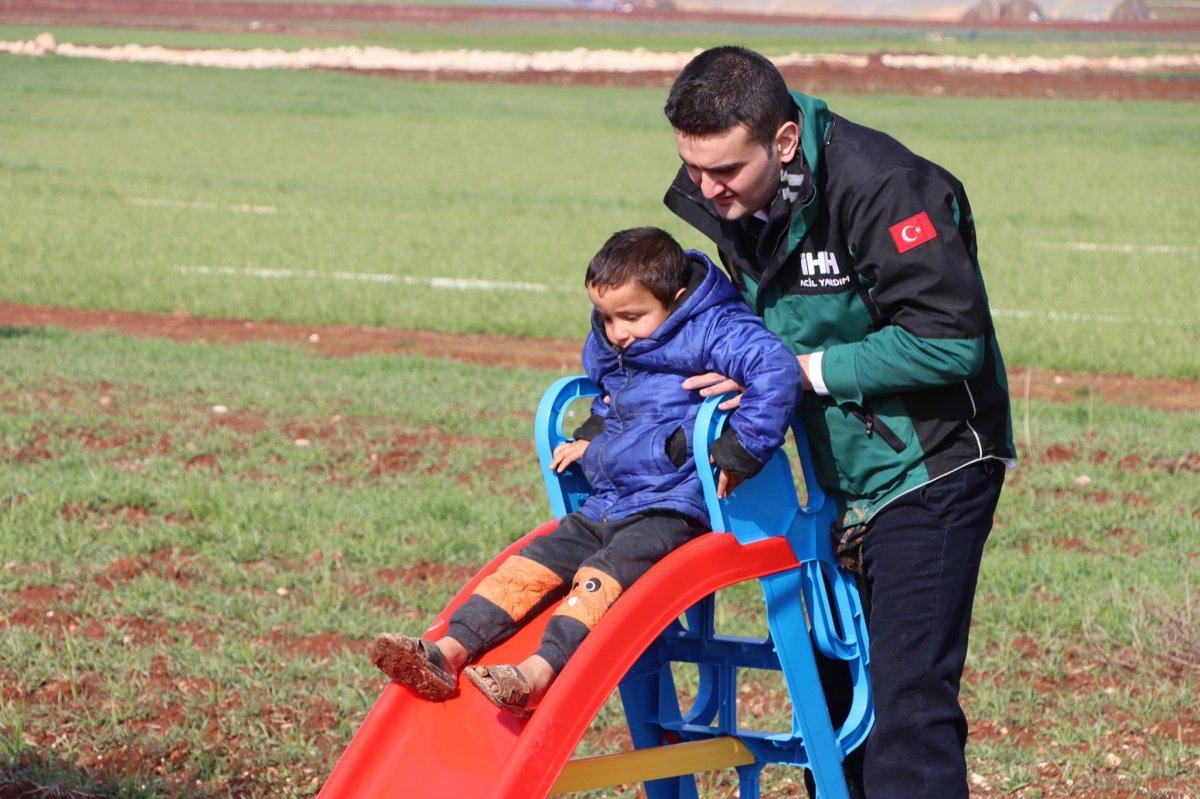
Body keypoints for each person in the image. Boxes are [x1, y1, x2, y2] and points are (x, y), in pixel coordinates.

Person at [662, 46, 1015, 798]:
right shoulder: (734, 199)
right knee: (835, 697)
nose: (706, 187)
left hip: (931, 463)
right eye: (693, 168)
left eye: (724, 170)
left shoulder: (884, 186)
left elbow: (950, 340)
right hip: (831, 476)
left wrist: (801, 369)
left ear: (784, 141)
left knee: (906, 703)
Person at [371, 227, 801, 717]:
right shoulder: (618, 343)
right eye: (605, 316)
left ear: (676, 298)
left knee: (604, 574)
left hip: (674, 504)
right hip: (611, 497)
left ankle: (536, 675)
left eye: (631, 317)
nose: (616, 331)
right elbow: (612, 399)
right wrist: (590, 434)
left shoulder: (714, 328)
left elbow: (776, 370)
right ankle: (447, 651)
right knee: (532, 563)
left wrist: (739, 450)